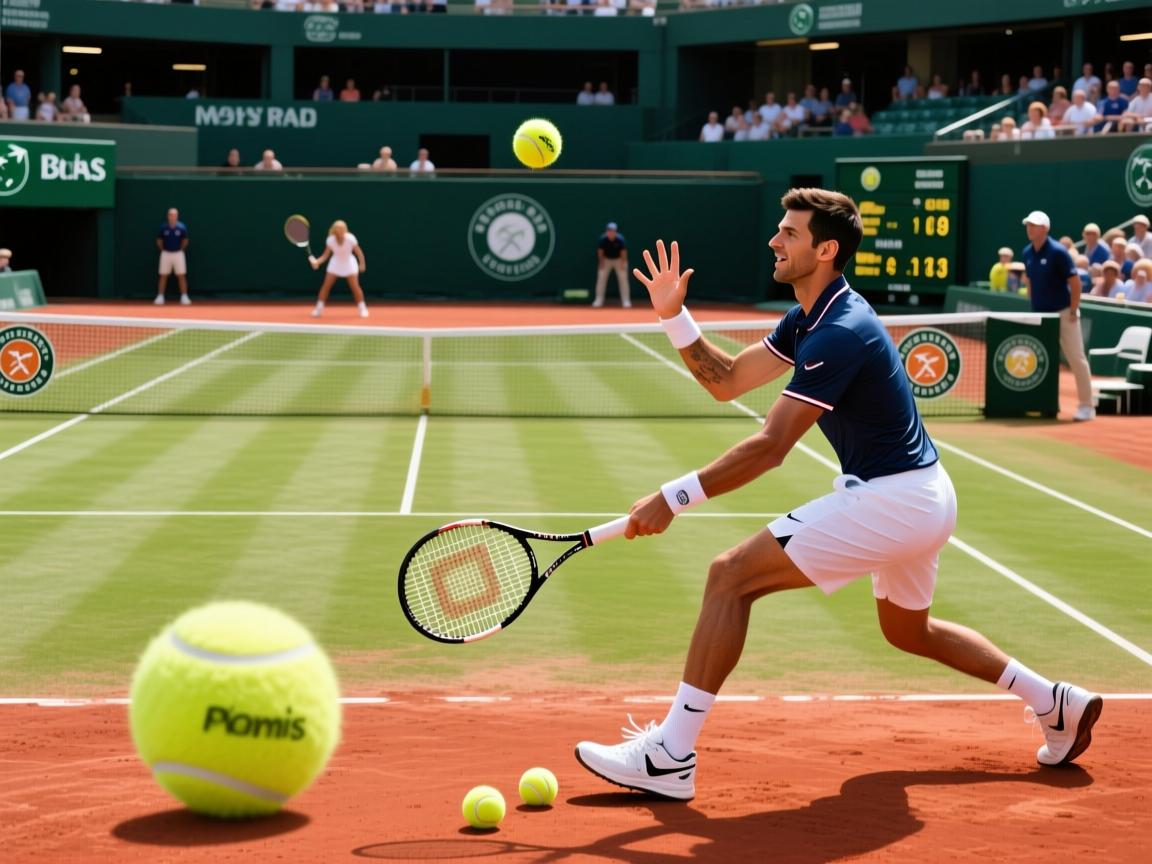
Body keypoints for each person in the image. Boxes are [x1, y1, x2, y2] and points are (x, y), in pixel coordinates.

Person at [574, 190, 1103, 801]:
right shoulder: (809, 318)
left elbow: (770, 446)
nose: (775, 241)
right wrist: (674, 314)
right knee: (909, 632)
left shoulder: (841, 332)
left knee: (729, 577)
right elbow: (728, 382)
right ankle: (1054, 702)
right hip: (923, 494)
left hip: (895, 500)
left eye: (789, 234)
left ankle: (671, 754)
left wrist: (673, 496)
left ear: (826, 249)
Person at [1021, 211, 1094, 421]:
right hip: (1041, 315)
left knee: (1076, 358)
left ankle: (1087, 406)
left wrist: (1073, 309)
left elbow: (1075, 282)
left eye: (1034, 225)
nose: (1029, 228)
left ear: (1045, 228)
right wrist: (1033, 303)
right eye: (1028, 225)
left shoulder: (1058, 252)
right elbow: (1030, 282)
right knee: (1042, 359)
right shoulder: (1027, 252)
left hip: (1064, 313)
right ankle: (1045, 404)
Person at [308, 220, 369, 318]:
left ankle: (363, 309)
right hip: (335, 263)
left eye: (342, 228)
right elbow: (325, 255)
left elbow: (359, 252)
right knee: (325, 287)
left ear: (345, 229)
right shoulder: (330, 240)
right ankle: (318, 309)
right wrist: (317, 262)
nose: (340, 230)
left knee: (355, 287)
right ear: (334, 229)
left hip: (349, 263)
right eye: (338, 228)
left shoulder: (350, 239)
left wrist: (362, 263)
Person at [155, 207, 191, 306]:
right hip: (166, 253)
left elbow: (185, 240)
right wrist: (164, 250)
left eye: (174, 215)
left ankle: (184, 296)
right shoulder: (163, 227)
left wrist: (180, 249)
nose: (172, 216)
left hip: (178, 253)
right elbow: (159, 241)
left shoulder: (182, 227)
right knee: (163, 275)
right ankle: (160, 296)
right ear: (168, 216)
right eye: (171, 215)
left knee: (181, 275)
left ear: (177, 216)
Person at [592, 221, 631, 308]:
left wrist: (623, 263)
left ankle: (626, 301)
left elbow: (623, 253)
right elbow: (600, 253)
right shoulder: (603, 239)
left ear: (615, 231)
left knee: (623, 280)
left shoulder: (620, 239)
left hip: (619, 260)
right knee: (601, 279)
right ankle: (598, 300)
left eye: (612, 230)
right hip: (606, 260)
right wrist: (601, 263)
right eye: (609, 230)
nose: (611, 232)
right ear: (607, 231)